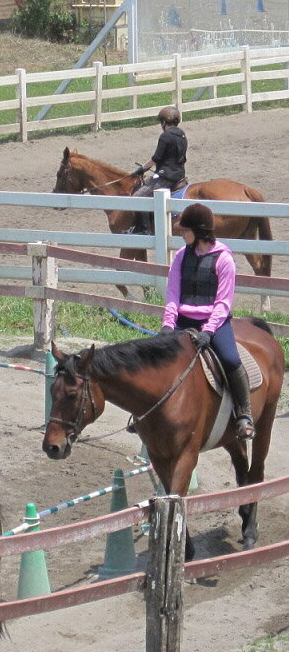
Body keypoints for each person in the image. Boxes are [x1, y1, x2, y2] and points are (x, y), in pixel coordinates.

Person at [161, 203, 254, 440]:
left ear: (199, 230)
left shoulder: (224, 259)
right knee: (155, 356)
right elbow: (172, 293)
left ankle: (244, 413)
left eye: (185, 230)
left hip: (214, 323)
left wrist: (209, 331)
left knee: (231, 360)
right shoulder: (181, 256)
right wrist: (168, 324)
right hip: (183, 320)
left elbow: (223, 303)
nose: (181, 234)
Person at [129, 106, 188, 234]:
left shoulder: (165, 136)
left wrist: (142, 168)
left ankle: (143, 230)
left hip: (166, 177)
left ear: (163, 122)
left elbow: (156, 158)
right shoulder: (182, 134)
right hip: (180, 175)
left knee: (138, 197)